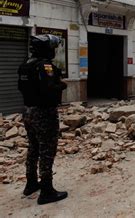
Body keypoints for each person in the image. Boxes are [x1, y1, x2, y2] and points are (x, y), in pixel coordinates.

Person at [18, 34, 68, 205]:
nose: (54, 51)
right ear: (46, 49)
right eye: (52, 48)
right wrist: (61, 85)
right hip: (44, 113)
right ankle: (46, 191)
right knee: (47, 149)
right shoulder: (45, 66)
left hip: (28, 112)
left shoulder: (26, 65)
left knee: (33, 147)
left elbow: (22, 88)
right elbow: (49, 88)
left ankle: (31, 183)